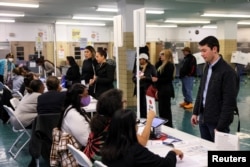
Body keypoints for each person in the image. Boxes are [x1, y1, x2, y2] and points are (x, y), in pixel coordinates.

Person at [83, 88, 155, 162]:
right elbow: (142, 142)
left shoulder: (99, 120)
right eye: (123, 101)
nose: (126, 102)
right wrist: (149, 120)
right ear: (116, 106)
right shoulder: (117, 125)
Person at [191, 36, 238, 142]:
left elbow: (229, 104)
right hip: (203, 119)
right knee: (206, 153)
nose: (202, 54)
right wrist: (195, 112)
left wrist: (220, 127)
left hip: (217, 124)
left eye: (204, 50)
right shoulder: (207, 67)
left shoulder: (228, 73)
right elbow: (201, 90)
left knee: (218, 156)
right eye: (200, 51)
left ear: (214, 49)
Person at [101, 109, 184, 167]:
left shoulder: (107, 146)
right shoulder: (135, 151)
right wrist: (172, 153)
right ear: (131, 127)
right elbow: (166, 165)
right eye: (136, 122)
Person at [57, 83, 90, 147]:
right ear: (79, 96)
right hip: (80, 150)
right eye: (86, 95)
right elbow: (86, 141)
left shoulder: (72, 108)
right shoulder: (73, 115)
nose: (88, 97)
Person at [153, 49, 175, 127]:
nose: (160, 56)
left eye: (162, 54)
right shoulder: (161, 64)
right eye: (160, 54)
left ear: (167, 55)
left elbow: (169, 78)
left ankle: (168, 125)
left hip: (166, 89)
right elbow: (156, 67)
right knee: (161, 109)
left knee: (166, 109)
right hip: (161, 89)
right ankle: (164, 124)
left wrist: (158, 80)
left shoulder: (169, 65)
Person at [132, 53, 157, 118]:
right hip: (139, 88)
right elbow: (133, 77)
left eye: (140, 59)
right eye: (139, 59)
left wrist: (145, 77)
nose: (139, 61)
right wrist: (136, 79)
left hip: (147, 88)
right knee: (140, 104)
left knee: (145, 104)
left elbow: (155, 78)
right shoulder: (137, 67)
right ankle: (141, 117)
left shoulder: (151, 67)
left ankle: (147, 117)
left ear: (145, 60)